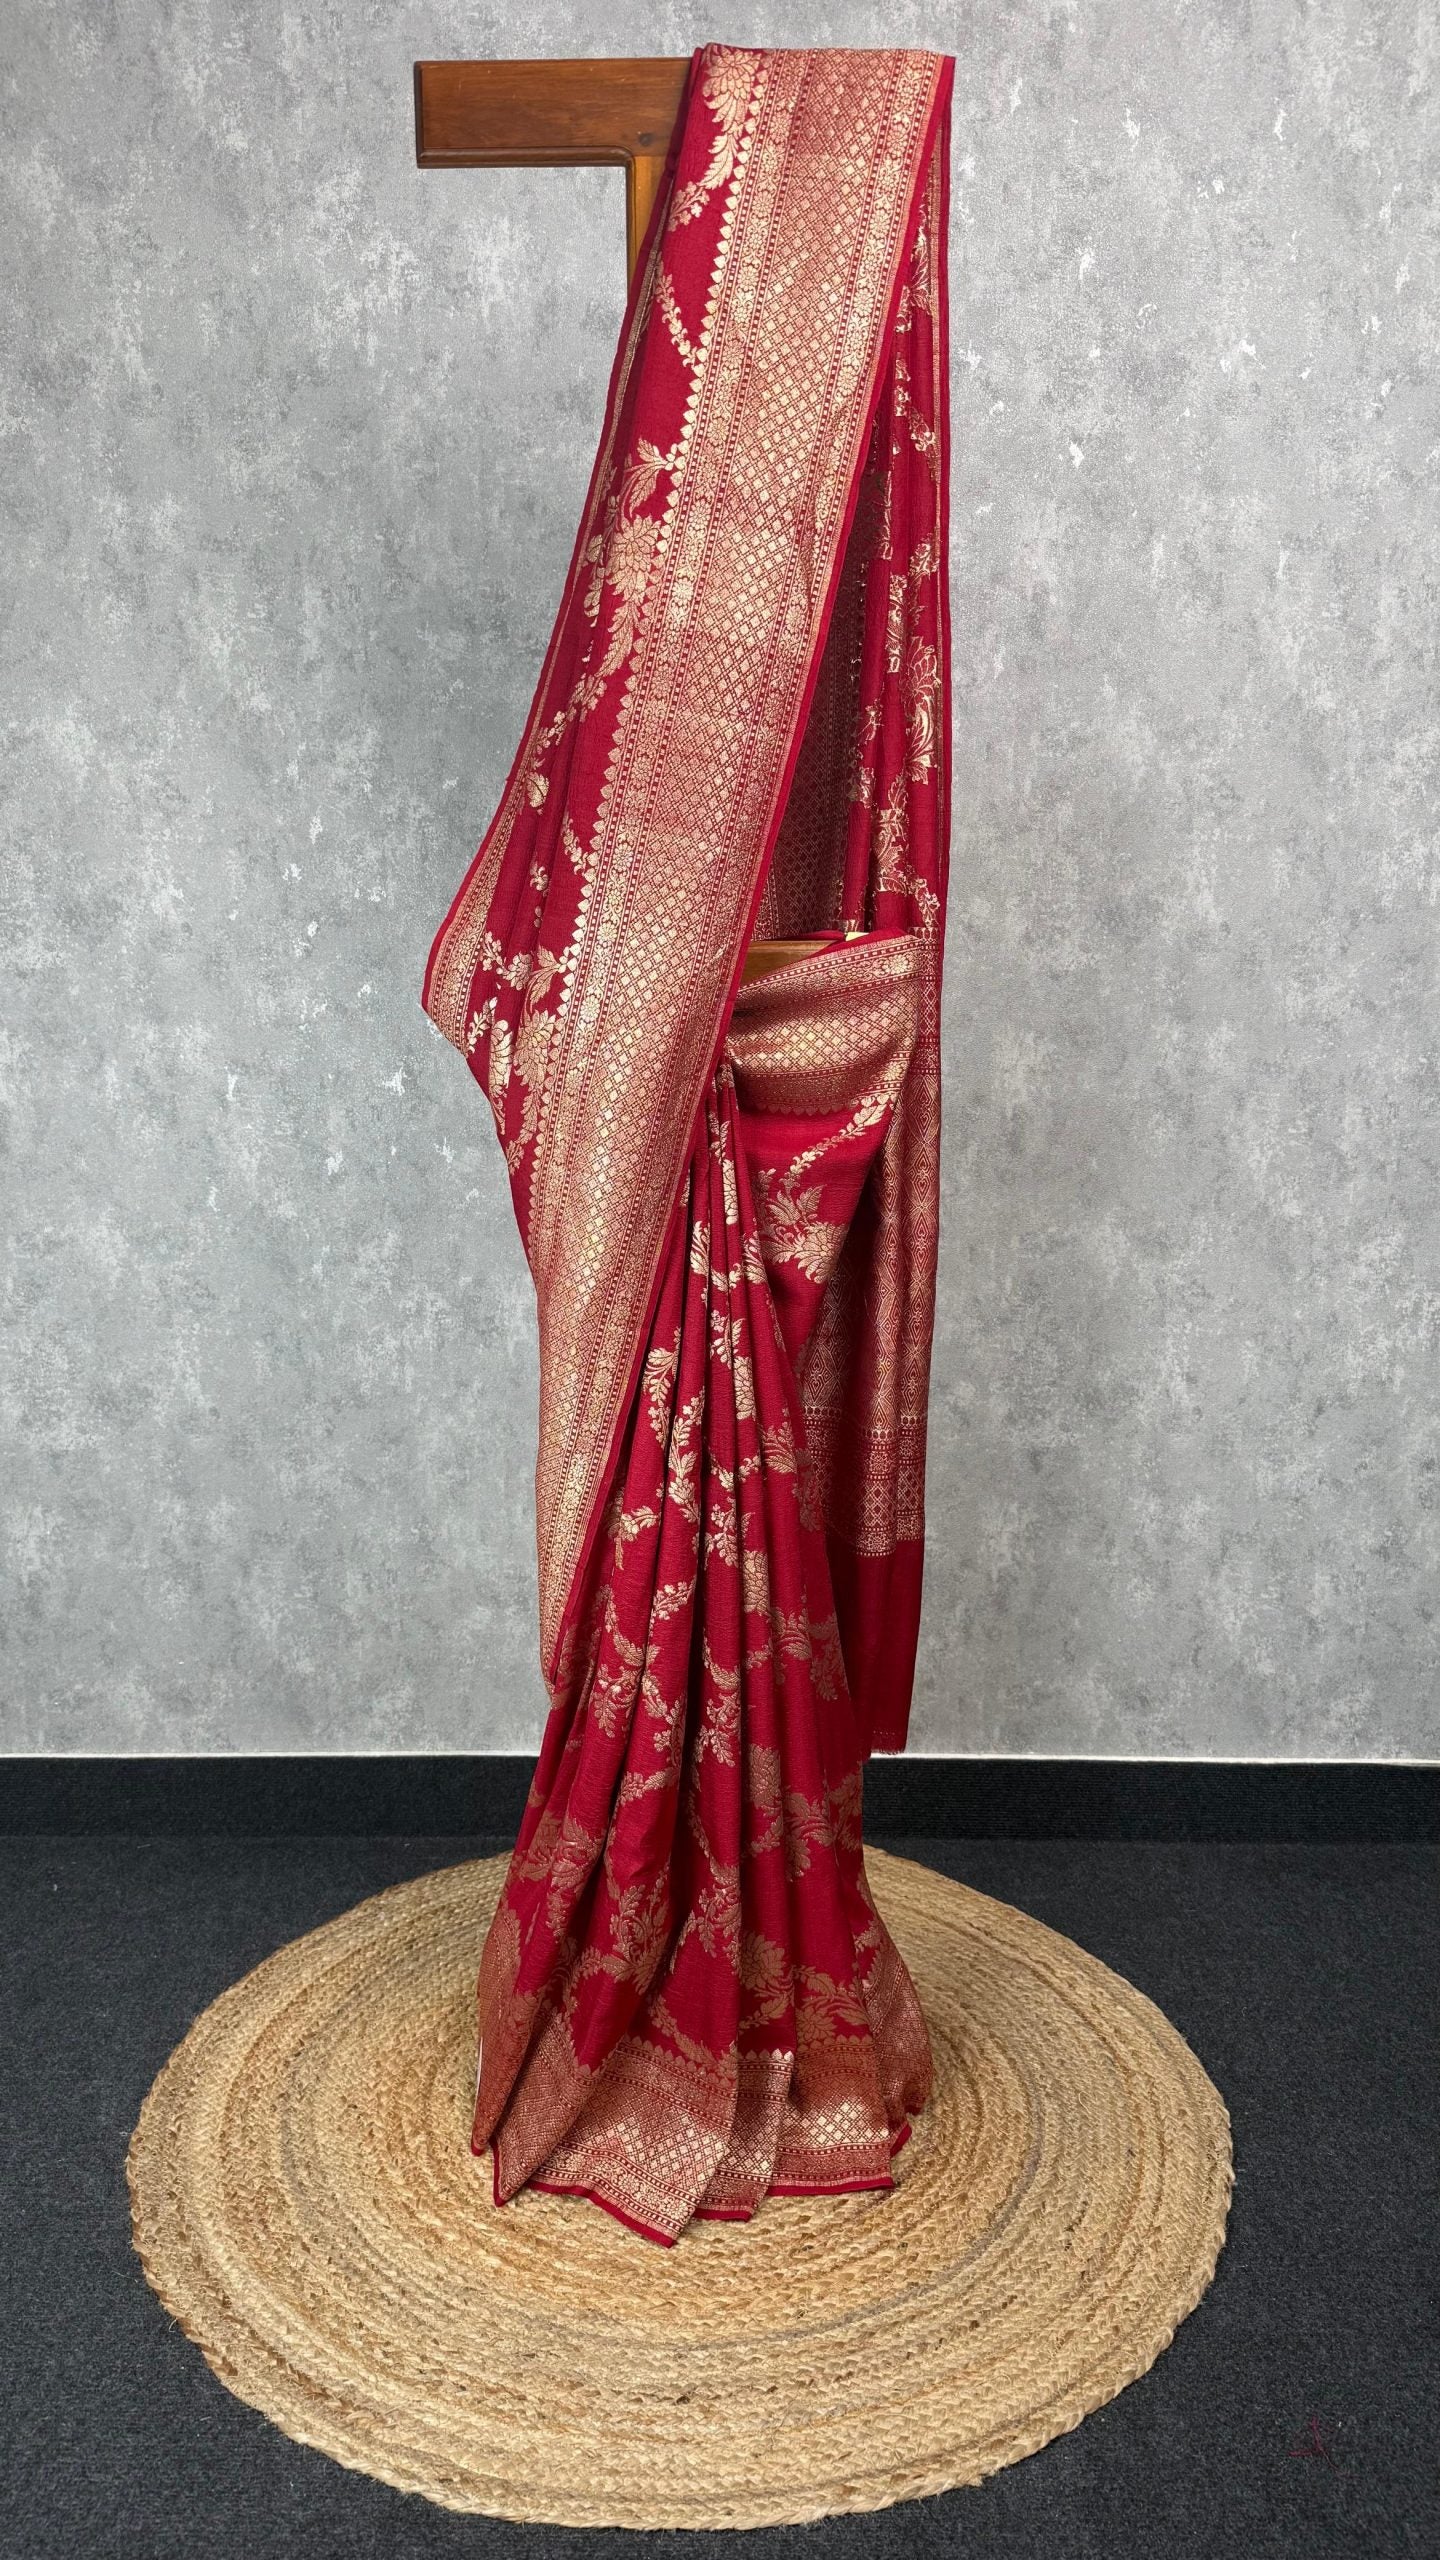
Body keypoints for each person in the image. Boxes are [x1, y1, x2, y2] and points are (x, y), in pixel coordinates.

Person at [422, 40, 955, 2244]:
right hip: (667, 1063)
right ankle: (636, 1962)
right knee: (636, 1179)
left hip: (729, 1077)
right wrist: (616, 1033)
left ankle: (706, 1987)